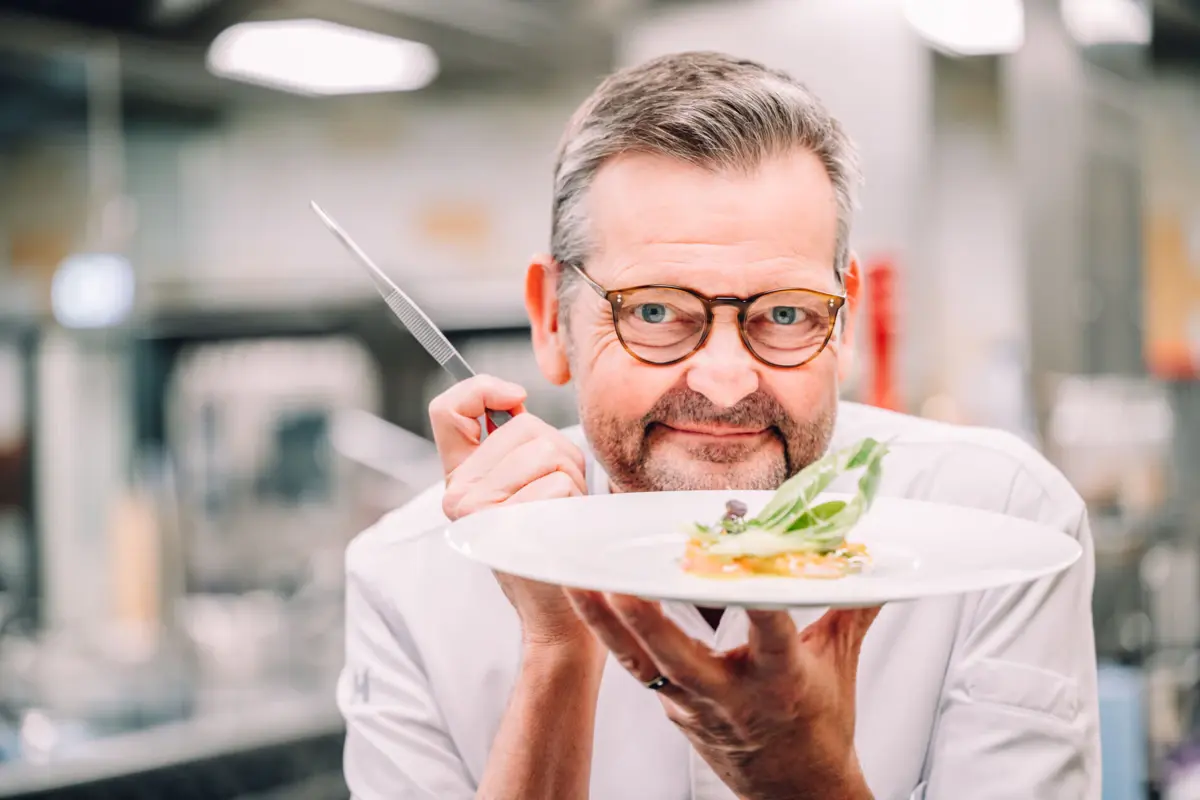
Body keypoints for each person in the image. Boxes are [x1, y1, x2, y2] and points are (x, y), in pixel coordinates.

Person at [337, 51, 1100, 800]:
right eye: (657, 313)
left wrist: (810, 785)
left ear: (845, 320)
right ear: (549, 319)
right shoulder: (407, 579)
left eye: (786, 314)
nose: (727, 380)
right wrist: (557, 652)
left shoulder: (1001, 519)